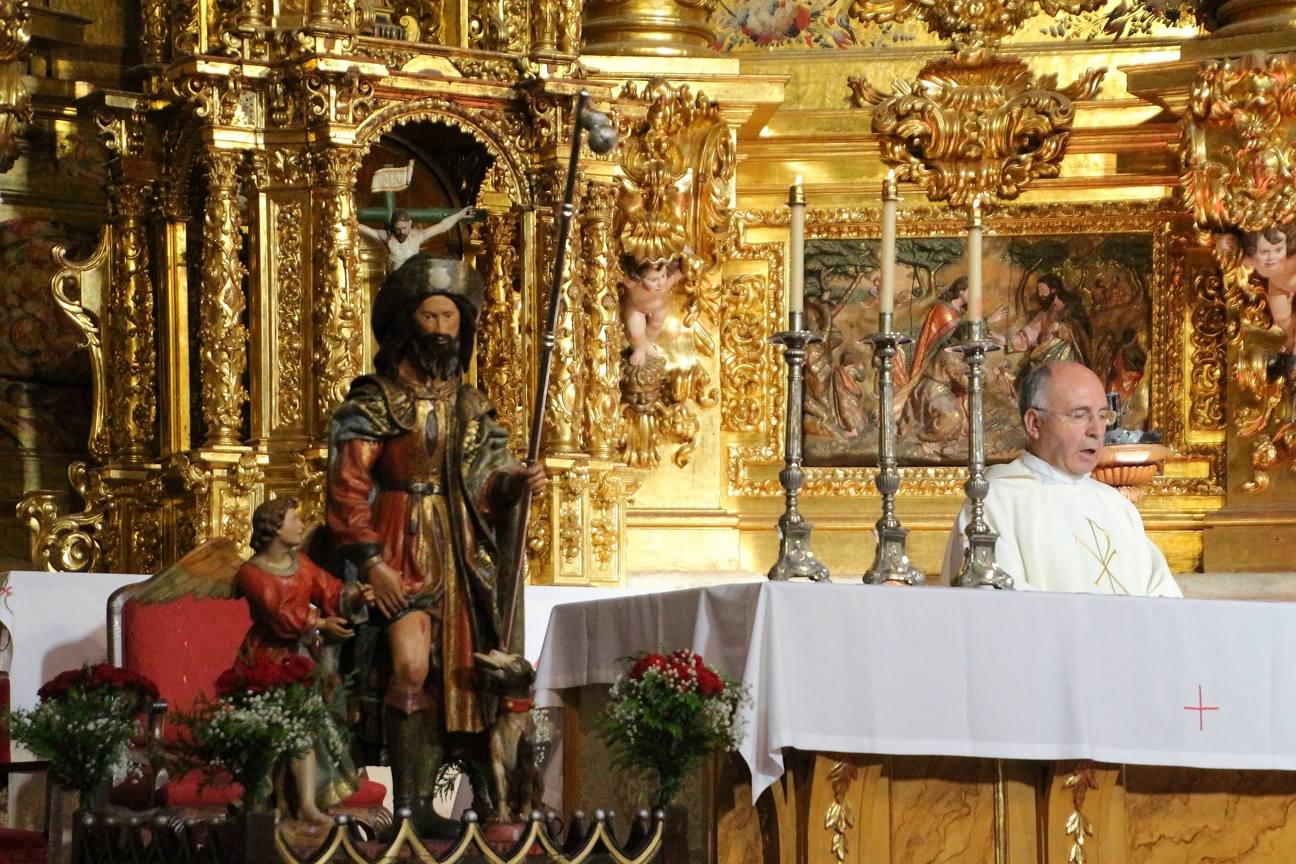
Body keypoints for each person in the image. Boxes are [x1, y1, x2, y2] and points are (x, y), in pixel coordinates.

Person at [326, 255, 545, 831]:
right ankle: (410, 800)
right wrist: (372, 564)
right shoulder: (374, 399)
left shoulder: (470, 405)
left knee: (468, 677)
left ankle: (478, 797)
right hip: (399, 536)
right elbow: (348, 486)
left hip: (461, 547)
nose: (443, 328)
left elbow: (489, 477)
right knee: (410, 665)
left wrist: (514, 482)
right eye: (430, 314)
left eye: (451, 316)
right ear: (408, 321)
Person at [940, 361, 1181, 596]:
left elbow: (1165, 599)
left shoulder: (1117, 506)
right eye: (1079, 415)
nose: (1096, 430)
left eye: (1102, 416)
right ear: (1034, 423)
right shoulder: (992, 503)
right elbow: (994, 603)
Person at [236, 497, 372, 823]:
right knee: (272, 733)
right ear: (274, 527)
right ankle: (264, 801)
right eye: (293, 519)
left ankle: (309, 804)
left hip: (300, 660)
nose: (301, 524)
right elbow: (278, 612)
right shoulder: (252, 572)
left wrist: (354, 594)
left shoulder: (302, 564)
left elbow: (329, 589)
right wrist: (320, 624)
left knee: (305, 728)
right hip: (267, 660)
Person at [1008, 273, 1093, 382]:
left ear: (1054, 289)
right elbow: (1030, 332)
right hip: (1045, 352)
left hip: (1068, 356)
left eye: (1042, 289)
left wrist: (1061, 327)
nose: (1040, 294)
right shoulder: (1046, 310)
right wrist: (1007, 343)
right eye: (1038, 290)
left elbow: (1083, 328)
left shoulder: (1072, 306)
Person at [357, 207, 478, 272]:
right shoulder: (386, 237)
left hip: (413, 279)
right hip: (395, 283)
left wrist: (461, 214)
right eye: (398, 228)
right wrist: (350, 218)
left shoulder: (418, 236)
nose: (401, 232)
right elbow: (363, 228)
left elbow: (443, 226)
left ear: (410, 224)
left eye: (404, 228)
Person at [1242, 224, 1296, 354]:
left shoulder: (1292, 258)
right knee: (1281, 318)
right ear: (1254, 251)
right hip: (1278, 288)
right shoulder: (1252, 260)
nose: (1272, 258)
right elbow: (1231, 255)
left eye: (1278, 250)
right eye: (1264, 252)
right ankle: (1291, 337)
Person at [621, 257, 682, 367]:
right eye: (653, 280)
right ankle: (638, 348)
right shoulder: (632, 284)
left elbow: (687, 264)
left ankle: (646, 344)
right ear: (640, 277)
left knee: (656, 326)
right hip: (636, 308)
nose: (660, 283)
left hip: (660, 308)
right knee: (635, 332)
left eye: (662, 276)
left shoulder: (670, 278)